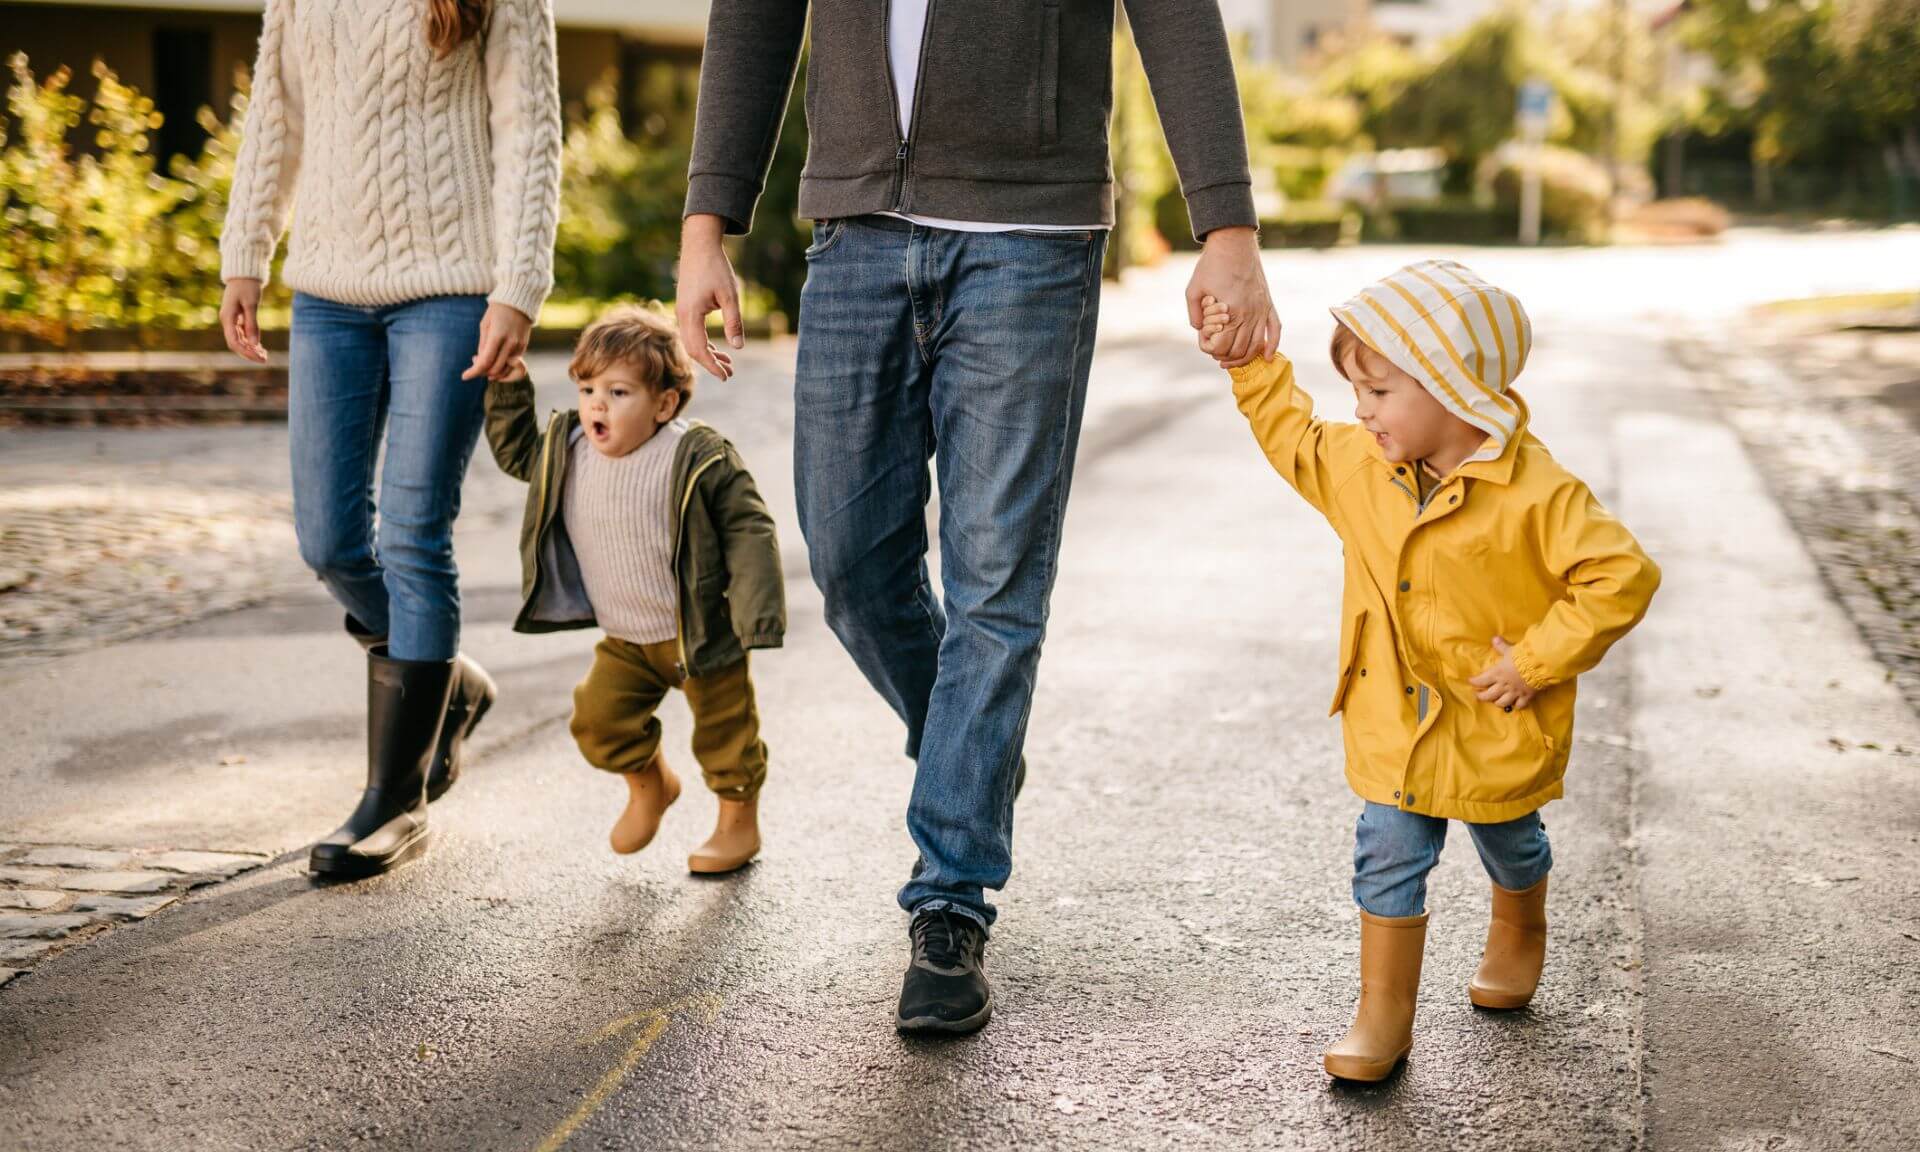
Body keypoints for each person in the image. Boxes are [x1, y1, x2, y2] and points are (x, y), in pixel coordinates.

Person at [677, 0, 1283, 1036]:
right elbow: (754, 17)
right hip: (857, 233)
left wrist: (1227, 227)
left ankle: (949, 898)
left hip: (1030, 240)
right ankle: (974, 749)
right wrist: (706, 226)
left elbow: (1177, 16)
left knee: (996, 582)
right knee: (849, 560)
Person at [1203, 261, 1660, 1081]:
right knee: (1385, 853)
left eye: (1379, 393)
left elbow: (1621, 574)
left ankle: (1521, 927)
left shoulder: (1538, 495)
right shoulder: (1360, 468)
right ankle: (1383, 1015)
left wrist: (1536, 659)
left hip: (1494, 722)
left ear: (1456, 390)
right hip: (1396, 724)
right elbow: (1293, 436)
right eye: (1356, 391)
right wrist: (1250, 365)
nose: (1360, 410)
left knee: (1510, 843)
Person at [218, 0, 562, 878]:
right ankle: (445, 679)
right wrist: (243, 254)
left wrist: (518, 287)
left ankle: (392, 802)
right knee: (328, 539)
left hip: (450, 292)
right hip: (328, 293)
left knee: (413, 533)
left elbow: (531, 133)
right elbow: (277, 115)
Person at [482, 306, 784, 874]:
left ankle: (737, 825)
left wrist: (756, 612)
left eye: (618, 392)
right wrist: (508, 388)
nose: (596, 404)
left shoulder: (694, 455)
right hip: (626, 640)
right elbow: (518, 453)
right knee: (598, 719)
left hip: (701, 636)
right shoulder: (568, 450)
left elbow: (749, 527)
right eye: (587, 387)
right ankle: (651, 785)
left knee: (728, 739)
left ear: (664, 404)